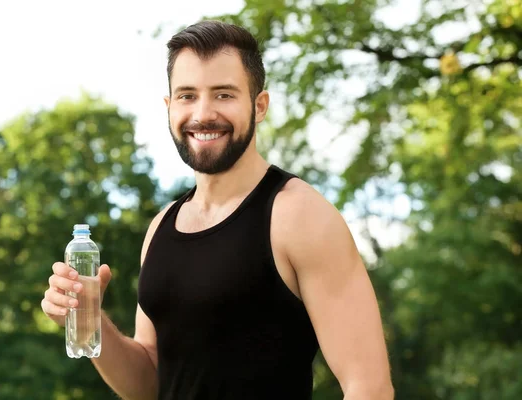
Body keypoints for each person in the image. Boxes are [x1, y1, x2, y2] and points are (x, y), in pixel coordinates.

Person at [41, 20, 394, 400]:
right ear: (169, 106)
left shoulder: (299, 215)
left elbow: (368, 386)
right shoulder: (162, 227)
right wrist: (89, 319)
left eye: (224, 95)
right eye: (187, 95)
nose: (203, 113)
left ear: (259, 106)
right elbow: (149, 383)